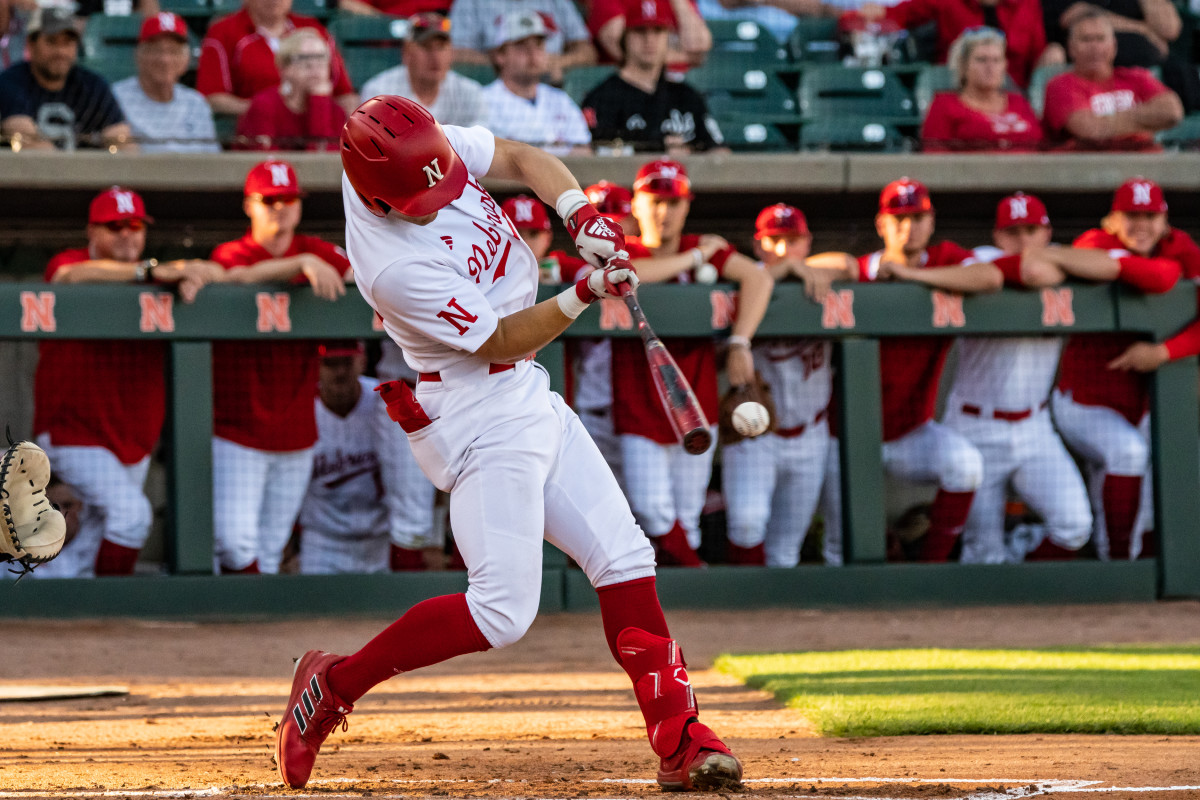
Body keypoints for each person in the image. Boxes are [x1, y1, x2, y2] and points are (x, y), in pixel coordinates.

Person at [274, 94, 743, 794]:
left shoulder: (413, 146)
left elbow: (524, 159)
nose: (439, 198)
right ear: (381, 199)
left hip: (522, 391)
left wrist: (580, 214)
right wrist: (583, 292)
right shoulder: (392, 267)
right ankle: (332, 687)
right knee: (501, 611)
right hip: (476, 409)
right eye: (422, 198)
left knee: (623, 555)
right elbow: (497, 340)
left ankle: (679, 732)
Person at [31, 186, 223, 578]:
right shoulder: (73, 262)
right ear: (92, 232)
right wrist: (151, 271)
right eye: (114, 226)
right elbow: (69, 276)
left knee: (96, 534)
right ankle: (106, 605)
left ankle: (69, 612)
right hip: (75, 434)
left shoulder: (159, 277)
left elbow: (220, 271)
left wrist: (196, 273)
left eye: (134, 225)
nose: (126, 234)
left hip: (132, 439)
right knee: (131, 517)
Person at [819, 179, 1002, 562]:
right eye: (899, 218)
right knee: (840, 548)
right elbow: (814, 267)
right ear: (881, 224)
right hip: (847, 436)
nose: (909, 227)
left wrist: (914, 278)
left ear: (931, 221)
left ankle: (931, 567)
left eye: (918, 217)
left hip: (910, 433)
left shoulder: (945, 257)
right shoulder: (862, 270)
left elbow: (990, 278)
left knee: (966, 466)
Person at [614, 159, 773, 566]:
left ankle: (686, 597)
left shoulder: (702, 246)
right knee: (650, 509)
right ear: (636, 203)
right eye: (655, 201)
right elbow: (632, 271)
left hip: (697, 402)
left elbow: (759, 278)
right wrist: (693, 260)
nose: (664, 212)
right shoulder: (625, 247)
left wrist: (739, 342)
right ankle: (696, 572)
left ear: (687, 206)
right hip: (639, 405)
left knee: (687, 514)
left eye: (674, 202)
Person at [209, 160, 352, 575]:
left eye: (288, 199)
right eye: (269, 200)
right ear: (249, 205)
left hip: (297, 431)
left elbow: (368, 277)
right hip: (238, 430)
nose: (280, 208)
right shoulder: (234, 251)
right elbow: (235, 277)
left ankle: (251, 639)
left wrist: (314, 261)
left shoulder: (318, 250)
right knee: (234, 543)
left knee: (269, 550)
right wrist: (299, 265)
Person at [1047, 178, 1200, 560]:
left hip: (1143, 405)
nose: (1141, 225)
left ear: (1165, 222)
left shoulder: (1180, 246)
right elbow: (1161, 276)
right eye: (1131, 216)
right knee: (1127, 455)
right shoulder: (1095, 243)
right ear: (1112, 220)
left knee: (1144, 503)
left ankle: (1124, 564)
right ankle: (1118, 567)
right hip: (1084, 401)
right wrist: (1160, 267)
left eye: (1150, 216)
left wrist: (1165, 351)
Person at [940, 193, 1092, 563]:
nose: (1024, 240)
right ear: (997, 236)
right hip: (975, 427)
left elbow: (1109, 265)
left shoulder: (1063, 256)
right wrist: (1054, 260)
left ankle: (1025, 554)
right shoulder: (982, 260)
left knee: (1075, 526)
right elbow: (1030, 271)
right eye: (1013, 232)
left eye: (1032, 230)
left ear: (1047, 232)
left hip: (1034, 428)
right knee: (982, 554)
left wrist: (1056, 256)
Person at [721, 204, 837, 567]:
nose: (785, 250)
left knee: (786, 547)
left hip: (810, 434)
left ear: (808, 242)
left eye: (794, 241)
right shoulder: (744, 281)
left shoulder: (821, 275)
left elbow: (852, 264)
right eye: (774, 241)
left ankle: (774, 624)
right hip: (757, 434)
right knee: (746, 523)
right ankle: (742, 610)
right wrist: (781, 269)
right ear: (758, 246)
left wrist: (804, 268)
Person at [297, 341, 436, 574]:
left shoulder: (384, 401)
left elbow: (423, 464)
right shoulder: (303, 408)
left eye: (347, 362)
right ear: (317, 365)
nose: (340, 371)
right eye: (331, 364)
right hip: (323, 541)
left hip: (380, 539)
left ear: (362, 361)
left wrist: (434, 540)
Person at [582, 0, 726, 155]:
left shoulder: (687, 96)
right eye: (640, 30)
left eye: (658, 30)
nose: (649, 40)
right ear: (625, 37)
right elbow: (596, 155)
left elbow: (719, 152)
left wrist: (690, 156)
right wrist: (659, 147)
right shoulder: (602, 98)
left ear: (668, 37)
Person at [1041, 10, 1182, 151]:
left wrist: (1105, 124)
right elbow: (1088, 130)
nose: (1094, 47)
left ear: (1114, 46)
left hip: (1146, 165)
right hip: (1091, 168)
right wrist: (1146, 122)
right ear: (1071, 48)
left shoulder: (1136, 77)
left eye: (1100, 38)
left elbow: (1172, 112)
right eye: (1086, 39)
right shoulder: (1061, 85)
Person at [0, 4, 133, 151]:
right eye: (52, 41)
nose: (61, 52)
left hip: (88, 172)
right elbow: (28, 142)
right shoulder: (11, 82)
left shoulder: (93, 85)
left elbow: (123, 143)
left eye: (68, 42)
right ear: (31, 45)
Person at [197, 0, 357, 118]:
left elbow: (344, 93)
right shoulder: (223, 32)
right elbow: (212, 97)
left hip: (315, 126)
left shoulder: (313, 28)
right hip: (257, 129)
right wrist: (270, 109)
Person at [855, 0, 1059, 89]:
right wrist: (873, 14)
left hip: (1015, 92)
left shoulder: (1027, 3)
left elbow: (1037, 51)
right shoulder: (948, 1)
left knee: (1055, 53)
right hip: (959, 88)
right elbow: (902, 14)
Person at [481, 12, 592, 156]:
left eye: (538, 45)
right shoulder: (483, 101)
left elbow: (585, 152)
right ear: (500, 55)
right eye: (521, 46)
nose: (533, 54)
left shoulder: (560, 100)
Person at [921, 26, 1042, 152]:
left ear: (1004, 65)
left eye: (996, 60)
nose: (990, 67)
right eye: (981, 60)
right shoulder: (944, 105)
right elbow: (934, 159)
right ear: (963, 65)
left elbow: (1042, 148)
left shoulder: (1019, 102)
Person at [112, 12, 220, 154]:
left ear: (186, 60)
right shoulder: (116, 98)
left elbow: (212, 162)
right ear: (139, 55)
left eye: (173, 51)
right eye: (156, 50)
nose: (165, 59)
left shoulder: (196, 104)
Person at [360, 12, 487, 128]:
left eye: (441, 47)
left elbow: (480, 145)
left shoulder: (469, 93)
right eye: (426, 47)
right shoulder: (380, 93)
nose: (435, 57)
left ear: (451, 53)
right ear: (406, 52)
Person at [235, 28, 347, 151]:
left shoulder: (336, 112)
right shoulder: (264, 105)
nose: (315, 66)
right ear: (284, 68)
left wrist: (319, 103)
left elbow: (324, 163)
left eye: (321, 57)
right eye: (305, 58)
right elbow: (267, 160)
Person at [449, 0, 595, 84]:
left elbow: (587, 51)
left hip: (553, 86)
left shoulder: (556, 2)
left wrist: (558, 62)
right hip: (494, 85)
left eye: (538, 46)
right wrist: (507, 62)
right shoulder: (471, 2)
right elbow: (454, 52)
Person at [591, 0, 711, 67]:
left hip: (680, 84)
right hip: (629, 86)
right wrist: (686, 57)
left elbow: (698, 46)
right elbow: (619, 47)